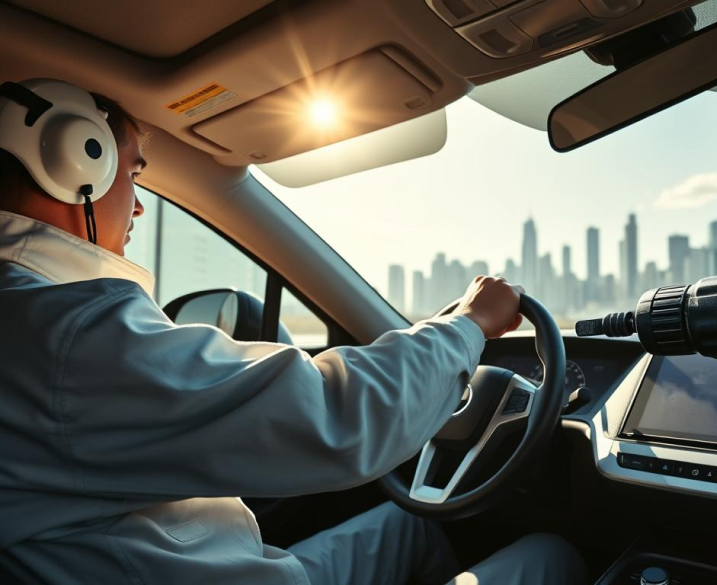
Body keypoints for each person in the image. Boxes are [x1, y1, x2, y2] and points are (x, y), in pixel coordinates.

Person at [0, 79, 586, 584]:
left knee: (410, 523)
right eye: (132, 174)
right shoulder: (65, 331)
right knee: (551, 556)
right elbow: (340, 417)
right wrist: (469, 323)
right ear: (77, 161)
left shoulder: (37, 316)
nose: (138, 206)